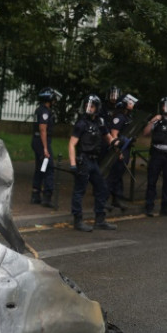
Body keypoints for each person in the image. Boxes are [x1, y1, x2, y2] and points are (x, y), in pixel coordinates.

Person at [68, 94, 117, 232]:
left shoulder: (100, 122)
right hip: (83, 160)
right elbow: (72, 144)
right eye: (87, 105)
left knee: (101, 188)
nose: (89, 108)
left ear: (97, 108)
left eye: (92, 106)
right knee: (79, 191)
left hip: (94, 161)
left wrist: (118, 142)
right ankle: (78, 221)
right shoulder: (81, 123)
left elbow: (108, 138)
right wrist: (73, 164)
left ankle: (100, 220)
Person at [105, 93, 138, 211]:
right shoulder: (119, 117)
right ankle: (104, 200)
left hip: (126, 149)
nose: (132, 104)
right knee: (113, 176)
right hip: (120, 150)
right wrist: (118, 151)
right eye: (130, 102)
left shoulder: (127, 116)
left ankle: (116, 199)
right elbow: (114, 135)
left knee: (119, 176)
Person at [30, 87, 62, 207]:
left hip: (37, 141)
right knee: (49, 168)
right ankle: (47, 197)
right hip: (41, 141)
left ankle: (35, 195)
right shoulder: (44, 111)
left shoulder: (41, 109)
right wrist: (45, 148)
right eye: (53, 98)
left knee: (40, 168)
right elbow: (43, 130)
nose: (55, 100)